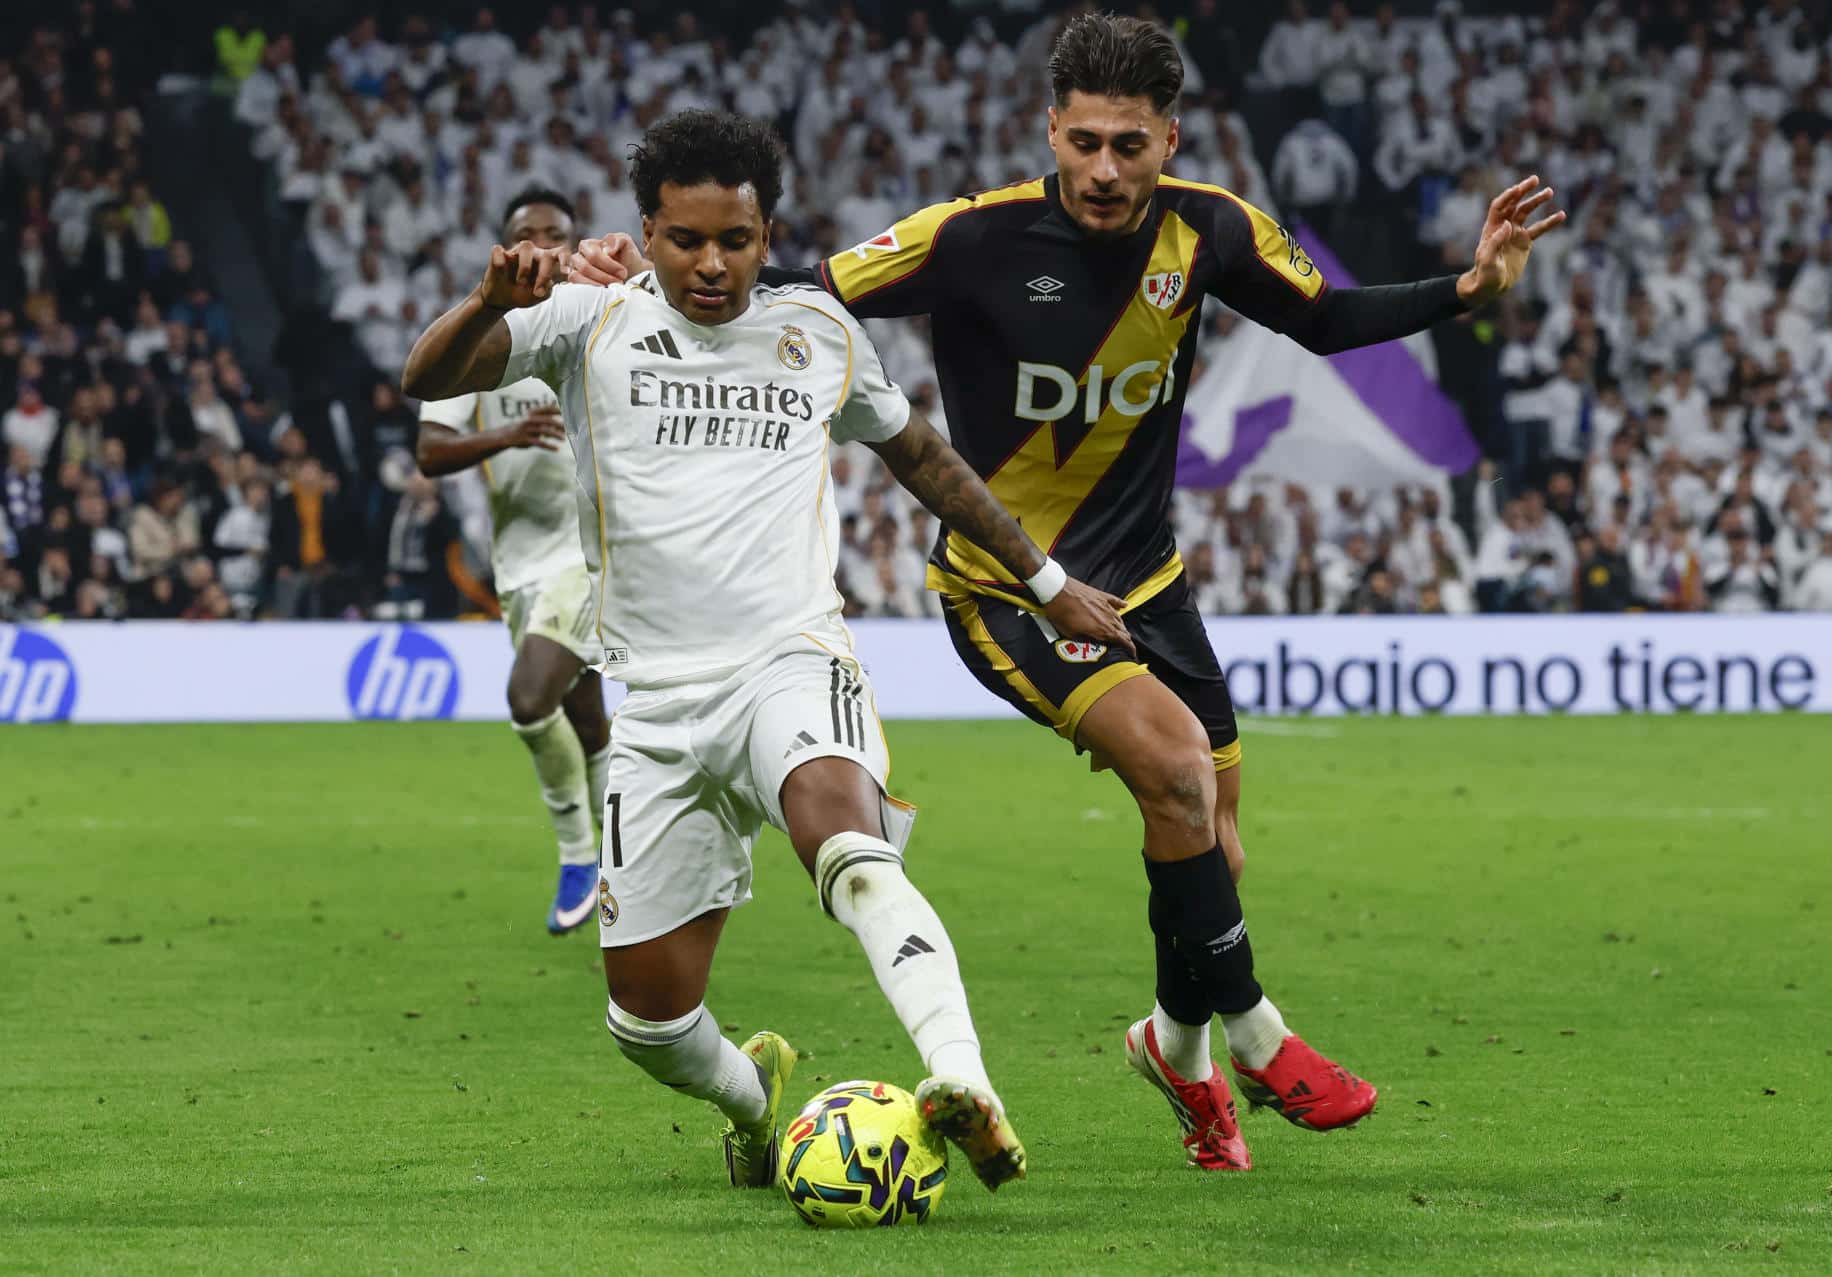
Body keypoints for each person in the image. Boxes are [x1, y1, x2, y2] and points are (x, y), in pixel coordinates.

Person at [572, 13, 1564, 1173]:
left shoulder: (1212, 230)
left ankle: (1173, 1044)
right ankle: (1257, 1035)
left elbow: (1326, 322)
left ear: (1168, 139)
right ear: (1052, 130)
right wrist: (630, 271)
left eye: (1129, 146)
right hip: (1016, 589)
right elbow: (785, 285)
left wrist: (1469, 282)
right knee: (1181, 769)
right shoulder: (973, 238)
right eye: (1084, 141)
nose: (1103, 168)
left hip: (1149, 578)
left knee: (1210, 842)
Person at [400, 111, 1131, 1194]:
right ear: (645, 233)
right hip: (651, 699)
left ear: (766, 231)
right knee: (646, 1021)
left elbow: (922, 455)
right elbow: (427, 379)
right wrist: (488, 304)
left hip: (788, 657)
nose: (712, 264)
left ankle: (963, 1078)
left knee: (846, 842)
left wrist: (1046, 580)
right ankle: (752, 1096)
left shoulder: (817, 331)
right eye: (687, 239)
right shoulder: (583, 317)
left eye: (735, 241)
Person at [415, 188, 613, 936]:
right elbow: (431, 450)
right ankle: (627, 857)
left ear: (573, 243)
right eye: (525, 233)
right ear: (504, 249)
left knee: (530, 698)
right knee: (586, 720)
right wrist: (507, 436)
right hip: (520, 563)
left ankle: (577, 853)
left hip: (589, 557)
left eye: (555, 233)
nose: (540, 243)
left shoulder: (602, 317)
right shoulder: (476, 334)